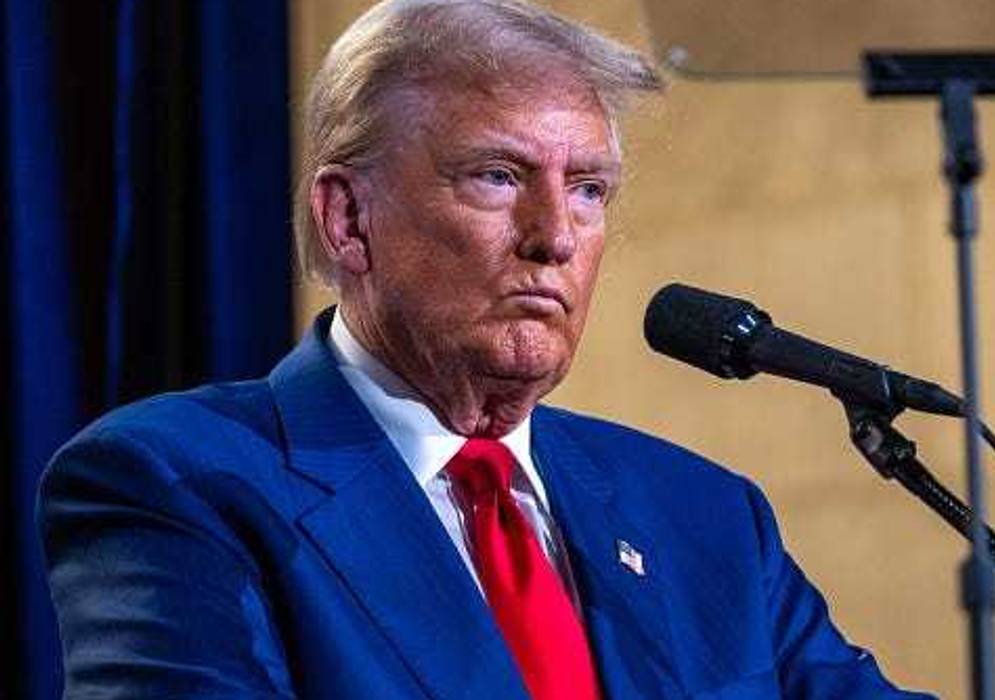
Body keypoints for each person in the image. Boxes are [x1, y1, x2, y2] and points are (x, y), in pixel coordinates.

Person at [39, 1, 936, 698]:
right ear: (348, 219)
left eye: (587, 189)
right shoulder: (179, 484)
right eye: (497, 176)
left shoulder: (704, 516)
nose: (554, 236)